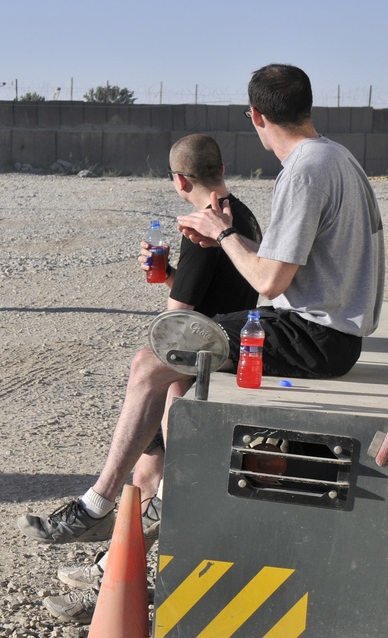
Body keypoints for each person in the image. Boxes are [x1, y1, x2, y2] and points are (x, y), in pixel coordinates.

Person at [19, 64, 384, 622]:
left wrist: (220, 235)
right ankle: (135, 512)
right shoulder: (339, 158)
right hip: (330, 331)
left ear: (256, 116)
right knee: (177, 369)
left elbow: (269, 282)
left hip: (314, 336)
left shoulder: (305, 171)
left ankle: (98, 503)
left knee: (150, 360)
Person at [38, 133, 263, 625]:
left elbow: (174, 326)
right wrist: (172, 275)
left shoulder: (200, 228)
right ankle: (106, 565)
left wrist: (172, 288)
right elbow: (218, 288)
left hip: (193, 374)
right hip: (212, 364)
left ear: (180, 180)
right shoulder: (238, 215)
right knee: (147, 477)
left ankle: (109, 582)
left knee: (158, 483)